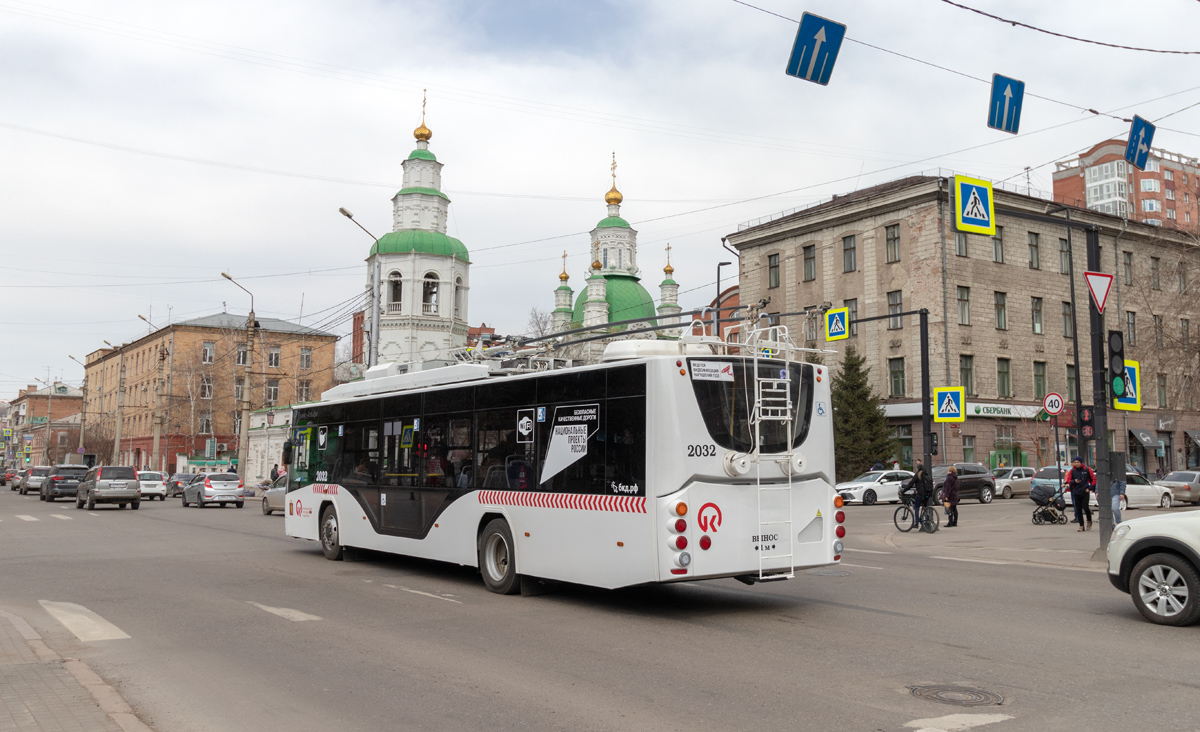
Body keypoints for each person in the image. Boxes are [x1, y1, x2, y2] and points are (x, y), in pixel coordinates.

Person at [1065, 455, 1096, 531]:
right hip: (1076, 491)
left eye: (1077, 462)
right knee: (1078, 509)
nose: (1076, 464)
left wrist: (1090, 488)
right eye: (1075, 462)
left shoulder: (1087, 470)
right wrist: (1074, 481)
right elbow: (1069, 481)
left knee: (1085, 507)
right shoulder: (1072, 471)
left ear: (1081, 462)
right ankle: (1081, 525)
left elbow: (1094, 480)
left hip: (1085, 491)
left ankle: (1089, 521)